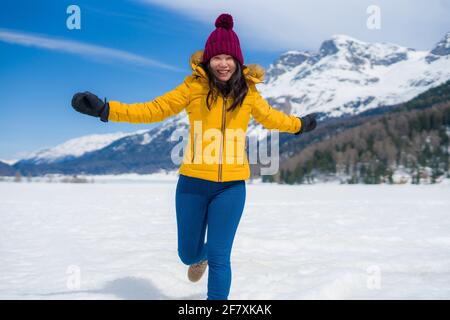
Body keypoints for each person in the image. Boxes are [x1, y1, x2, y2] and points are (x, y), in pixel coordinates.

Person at [71, 13, 317, 300]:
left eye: (229, 58)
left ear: (238, 62)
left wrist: (300, 125)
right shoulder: (193, 88)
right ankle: (198, 257)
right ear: (208, 61)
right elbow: (152, 109)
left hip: (231, 187)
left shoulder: (249, 93)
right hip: (192, 185)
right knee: (187, 253)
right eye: (217, 58)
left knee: (220, 256)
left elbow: (273, 118)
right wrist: (106, 110)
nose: (223, 64)